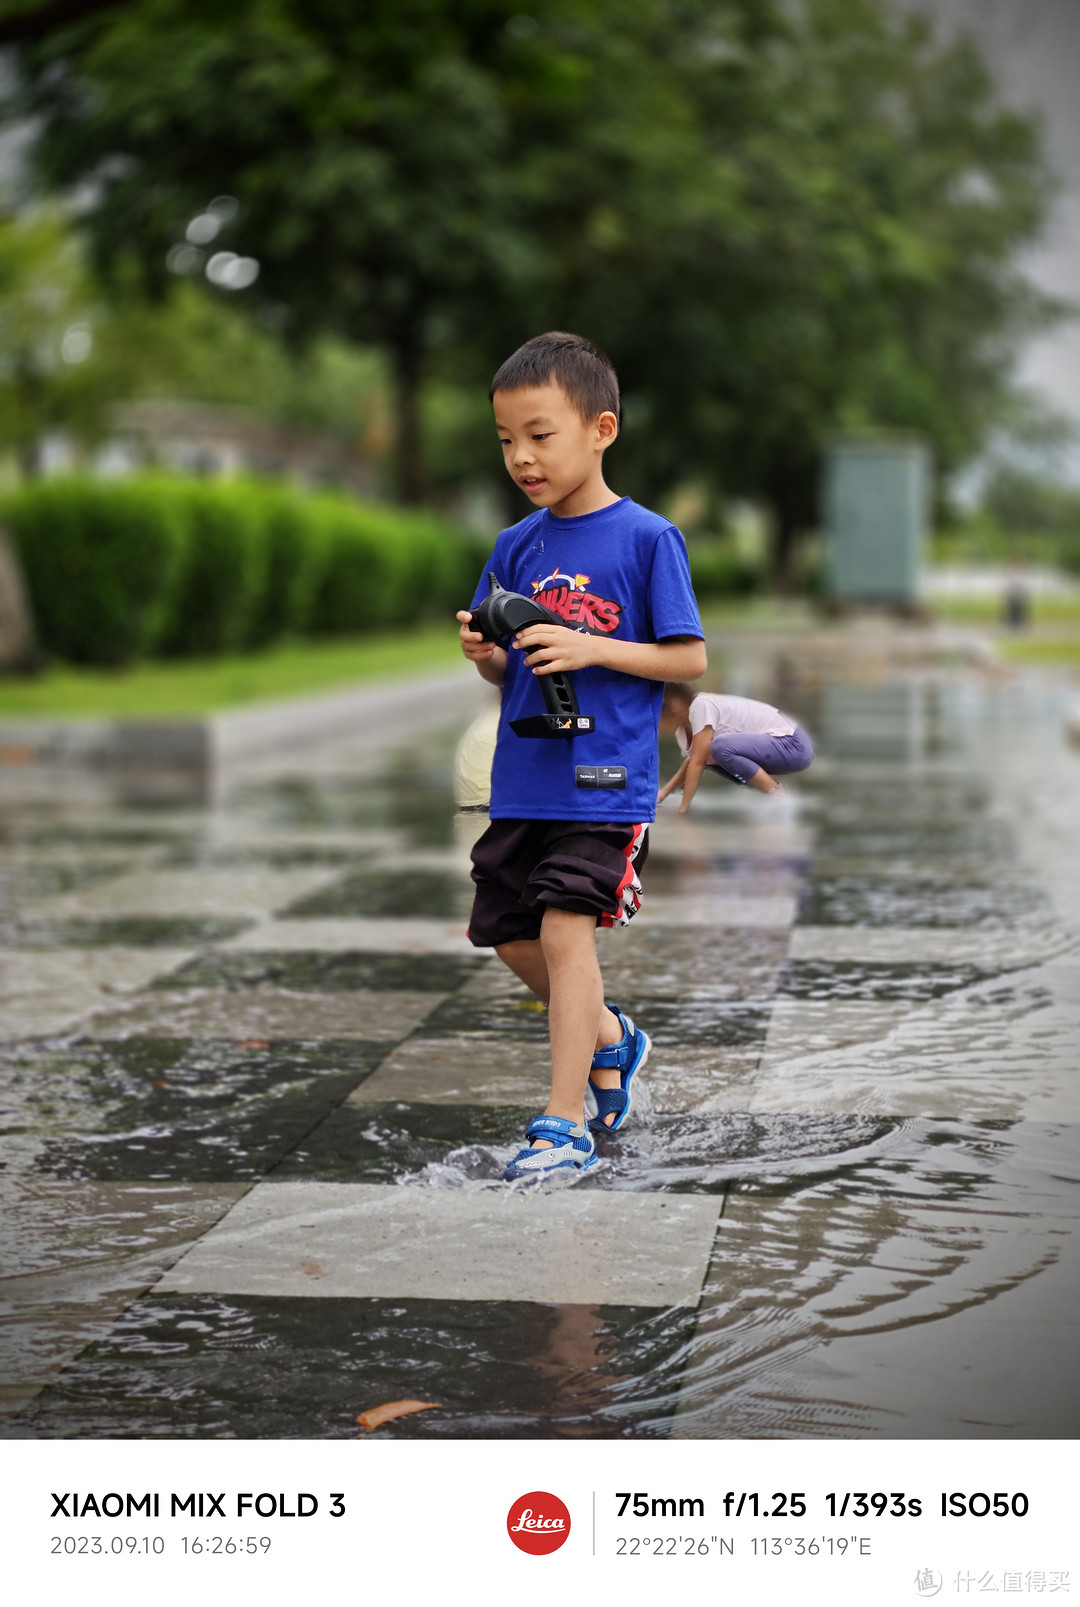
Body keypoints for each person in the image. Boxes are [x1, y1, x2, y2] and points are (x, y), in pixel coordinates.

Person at [456, 331, 706, 1180]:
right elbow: (508, 675)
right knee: (503, 930)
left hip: (604, 784)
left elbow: (687, 659)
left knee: (567, 932)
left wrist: (593, 648)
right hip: (525, 776)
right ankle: (611, 1036)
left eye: (540, 434)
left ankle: (564, 1123)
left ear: (601, 428)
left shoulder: (647, 540)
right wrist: (488, 653)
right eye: (506, 441)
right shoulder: (515, 545)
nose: (521, 457)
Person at [658, 683, 813, 813]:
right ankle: (770, 792)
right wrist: (663, 794)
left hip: (793, 744)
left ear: (675, 706)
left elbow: (697, 762)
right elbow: (693, 762)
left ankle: (777, 793)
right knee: (709, 756)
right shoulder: (683, 731)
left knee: (719, 748)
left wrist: (683, 809)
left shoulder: (701, 706)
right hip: (778, 749)